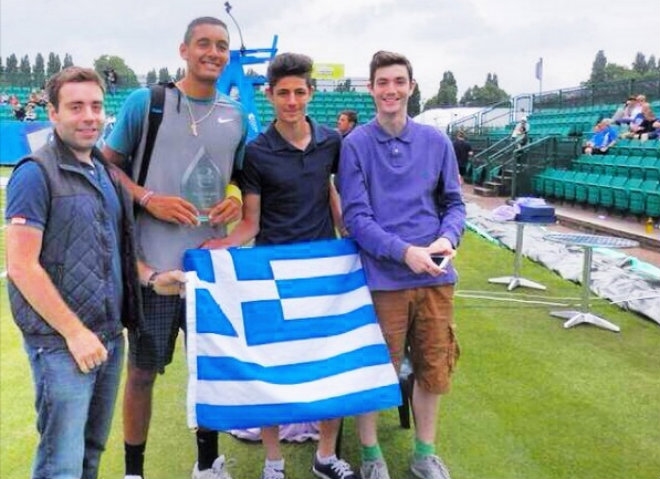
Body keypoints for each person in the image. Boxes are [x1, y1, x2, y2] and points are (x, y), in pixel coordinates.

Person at [5, 66, 185, 479]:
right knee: (61, 464)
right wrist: (74, 332)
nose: (89, 116)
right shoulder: (35, 173)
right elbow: (21, 265)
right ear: (52, 113)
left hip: (107, 338)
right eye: (76, 107)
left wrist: (152, 278)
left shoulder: (104, 172)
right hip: (61, 345)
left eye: (96, 106)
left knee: (90, 454)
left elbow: (115, 251)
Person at [102, 16, 247, 479]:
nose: (213, 53)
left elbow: (242, 175)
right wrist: (148, 198)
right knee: (143, 373)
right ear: (183, 50)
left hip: (209, 268)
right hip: (155, 269)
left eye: (221, 45)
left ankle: (207, 465)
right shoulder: (148, 102)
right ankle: (134, 471)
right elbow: (105, 167)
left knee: (209, 372)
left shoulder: (236, 115)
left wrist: (234, 197)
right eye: (203, 43)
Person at [204, 52, 355, 479]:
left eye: (299, 92)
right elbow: (250, 222)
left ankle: (326, 456)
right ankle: (274, 463)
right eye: (283, 93)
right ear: (269, 95)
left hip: (325, 273)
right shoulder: (256, 152)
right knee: (269, 370)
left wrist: (352, 236)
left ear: (311, 93)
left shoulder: (332, 142)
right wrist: (218, 246)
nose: (292, 101)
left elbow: (334, 196)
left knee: (331, 367)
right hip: (270, 273)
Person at [338, 51, 465, 479]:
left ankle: (424, 454)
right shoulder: (355, 144)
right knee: (376, 371)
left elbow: (454, 204)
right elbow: (356, 218)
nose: (390, 90)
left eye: (398, 82)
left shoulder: (437, 142)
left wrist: (448, 238)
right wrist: (405, 252)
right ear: (371, 89)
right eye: (382, 82)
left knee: (433, 368)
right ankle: (371, 455)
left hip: (435, 276)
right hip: (382, 279)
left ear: (411, 86)